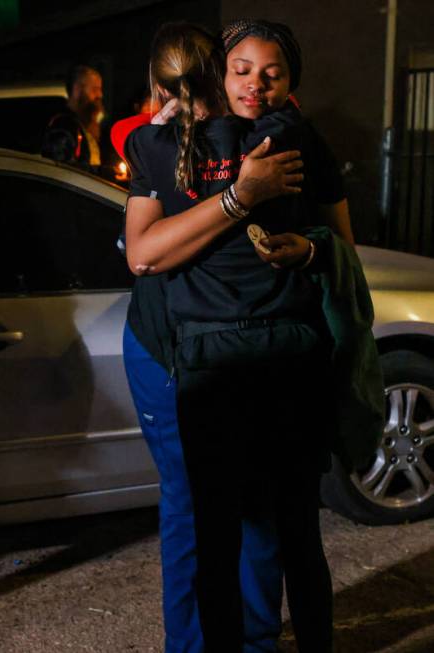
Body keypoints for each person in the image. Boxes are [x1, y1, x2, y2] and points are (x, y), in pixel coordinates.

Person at [124, 21, 347, 651]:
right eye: (241, 69)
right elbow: (143, 255)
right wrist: (241, 197)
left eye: (271, 71)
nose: (255, 82)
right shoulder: (290, 138)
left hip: (235, 354)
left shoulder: (157, 143)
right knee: (277, 528)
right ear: (216, 75)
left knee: (238, 529)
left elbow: (338, 250)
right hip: (234, 354)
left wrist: (307, 249)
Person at [41, 65, 106, 174]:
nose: (100, 95)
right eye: (95, 89)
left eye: (100, 89)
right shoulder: (63, 125)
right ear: (77, 90)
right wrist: (103, 172)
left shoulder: (82, 124)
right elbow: (62, 170)